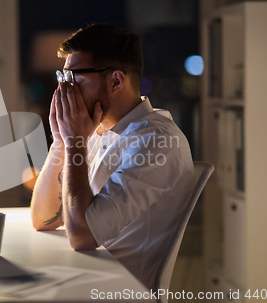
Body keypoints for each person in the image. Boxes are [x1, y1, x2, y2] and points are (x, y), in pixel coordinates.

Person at [30, 23, 195, 290]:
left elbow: (82, 236)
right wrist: (61, 142)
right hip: (87, 277)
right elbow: (44, 220)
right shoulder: (97, 131)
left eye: (73, 78)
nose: (64, 90)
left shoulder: (157, 142)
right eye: (62, 78)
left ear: (116, 80)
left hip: (118, 290)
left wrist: (74, 144)